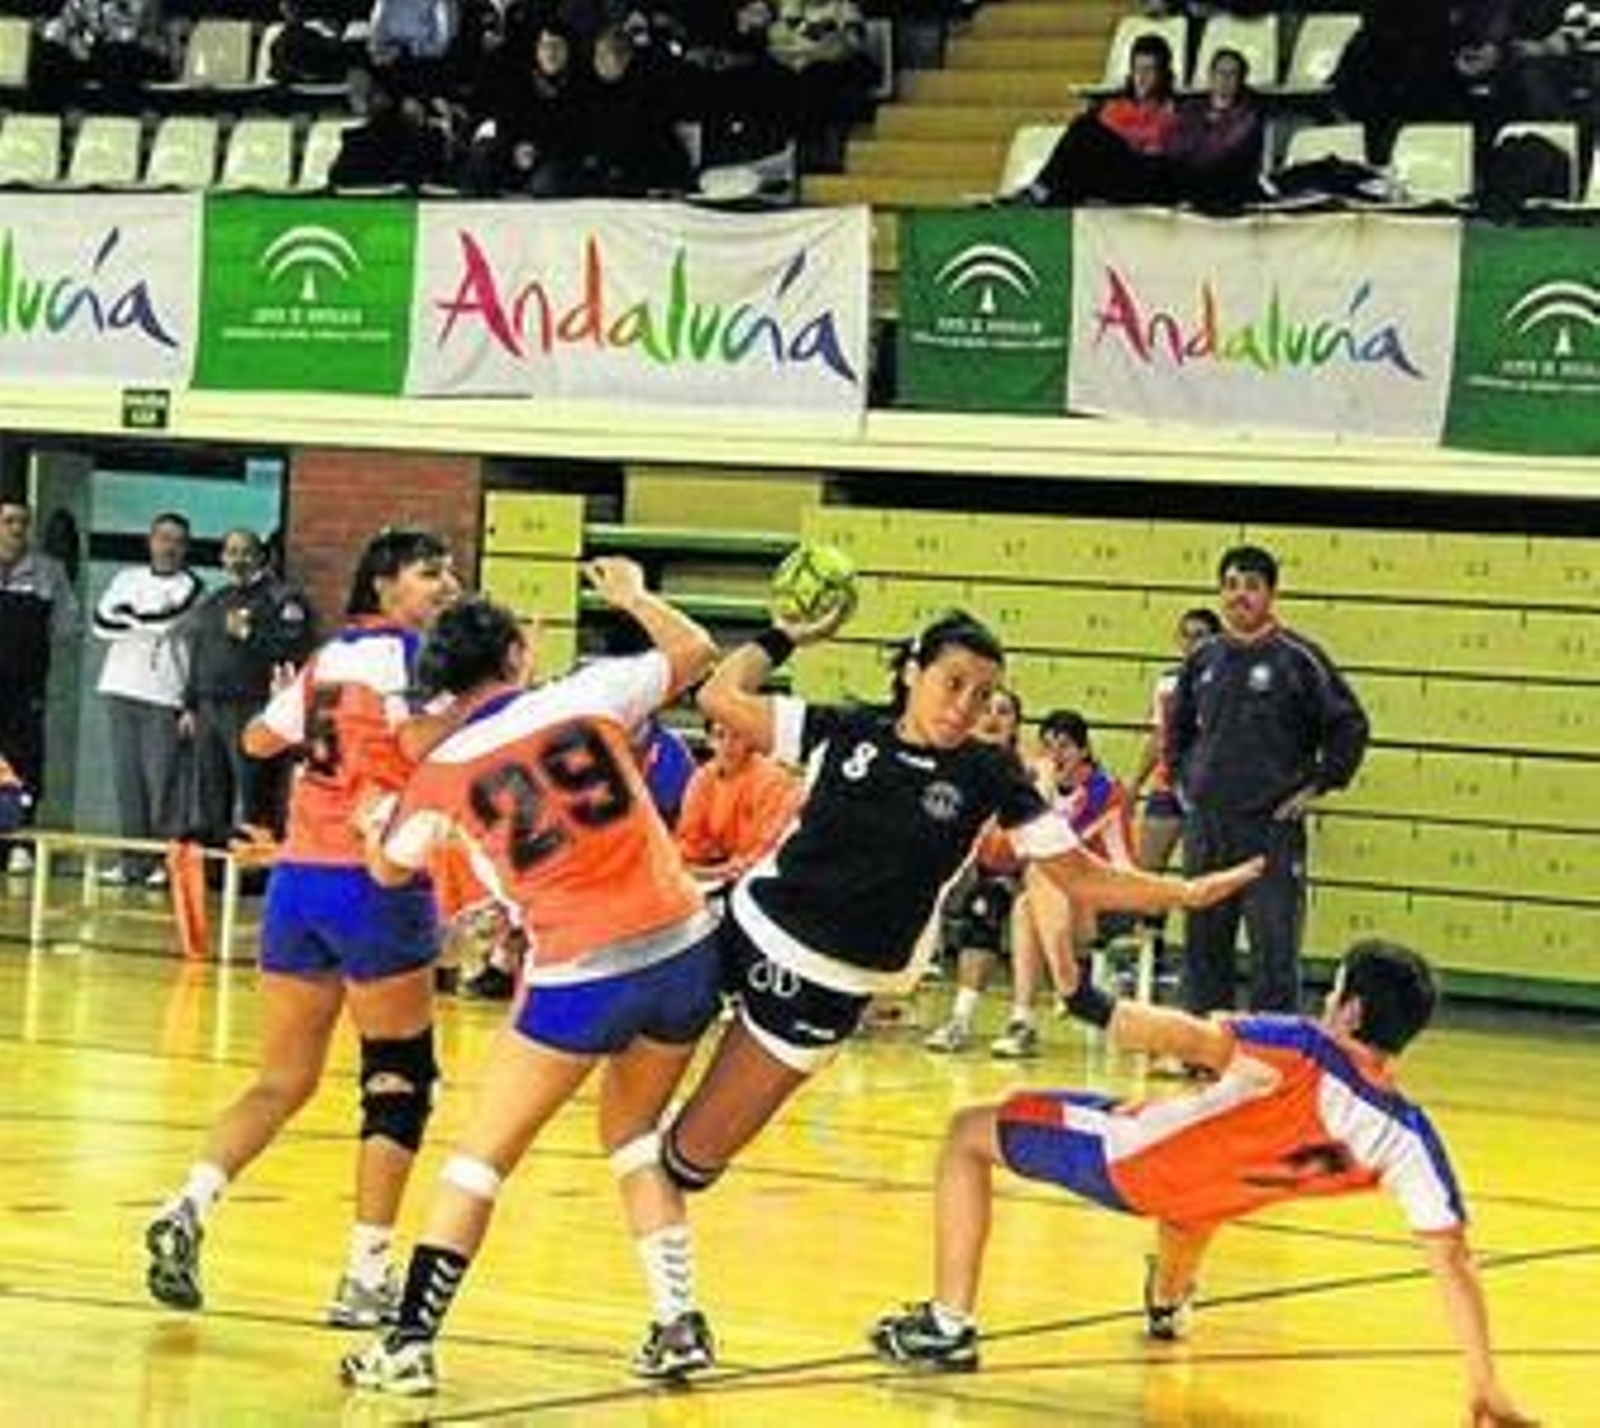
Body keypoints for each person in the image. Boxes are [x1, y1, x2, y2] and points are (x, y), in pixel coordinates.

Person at [651, 608, 1262, 1310]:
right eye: (953, 683)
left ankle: (671, 1292)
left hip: (822, 989)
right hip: (741, 926)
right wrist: (787, 634)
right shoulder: (846, 730)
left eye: (983, 694)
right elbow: (718, 695)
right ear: (913, 674)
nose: (966, 704)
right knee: (608, 1050)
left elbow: (1079, 875)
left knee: (687, 1160)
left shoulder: (990, 776)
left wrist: (1183, 891)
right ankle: (668, 1319)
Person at [870, 939, 1538, 1428]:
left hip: (1132, 1163)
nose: (1326, 1002)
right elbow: (1452, 1258)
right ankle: (1167, 1304)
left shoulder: (1302, 1051)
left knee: (967, 1133)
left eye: (1334, 991)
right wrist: (1484, 1382)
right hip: (1213, 1195)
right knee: (1197, 1204)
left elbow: (1189, 1038)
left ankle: (948, 1324)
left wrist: (1085, 998)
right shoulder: (1405, 1135)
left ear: (1352, 1011)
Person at [340, 568, 725, 1398]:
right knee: (634, 1134)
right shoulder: (587, 694)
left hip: (582, 970)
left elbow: (390, 870)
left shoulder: (440, 771)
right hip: (685, 947)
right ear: (516, 655)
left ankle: (408, 1344)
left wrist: (373, 825)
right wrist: (631, 595)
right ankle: (678, 1321)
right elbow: (696, 650)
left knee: (481, 1160)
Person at [144, 528, 459, 1327]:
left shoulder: (327, 657)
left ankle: (188, 1204)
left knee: (281, 1079)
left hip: (298, 882)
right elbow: (431, 744)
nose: (448, 585)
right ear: (383, 584)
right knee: (398, 1080)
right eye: (431, 572)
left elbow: (258, 739)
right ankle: (365, 1277)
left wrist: (309, 714)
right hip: (374, 878)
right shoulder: (417, 661)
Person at [1169, 545, 1369, 1018]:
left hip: (1270, 830)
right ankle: (1204, 1046)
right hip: (1208, 828)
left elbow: (1349, 726)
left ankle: (1270, 1052)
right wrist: (1184, 781)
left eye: (1251, 586)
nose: (1239, 596)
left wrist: (1317, 785)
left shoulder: (1298, 658)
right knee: (1203, 949)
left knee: (1273, 953)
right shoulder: (1203, 659)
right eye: (1230, 585)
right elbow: (1177, 728)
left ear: (1271, 594)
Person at [991, 709, 1136, 1060]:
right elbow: (1006, 854)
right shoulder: (1037, 788)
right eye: (1047, 746)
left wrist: (1039, 790)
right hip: (1063, 897)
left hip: (1114, 898)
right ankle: (1027, 1016)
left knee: (1043, 888)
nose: (1055, 756)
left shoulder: (1104, 791)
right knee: (1028, 904)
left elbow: (1055, 845)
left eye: (1065, 746)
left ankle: (1064, 987)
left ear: (1084, 750)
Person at [181, 529, 315, 846]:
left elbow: (295, 650)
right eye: (231, 552)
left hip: (253, 705)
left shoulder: (281, 599)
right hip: (210, 707)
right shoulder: (215, 601)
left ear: (261, 556)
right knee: (211, 794)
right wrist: (190, 704)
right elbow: (199, 655)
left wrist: (250, 635)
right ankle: (214, 867)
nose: (237, 559)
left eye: (245, 551)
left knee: (256, 792)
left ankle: (256, 867)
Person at [93, 512, 204, 887]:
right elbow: (101, 623)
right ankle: (131, 861)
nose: (168, 547)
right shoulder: (126, 578)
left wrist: (128, 617)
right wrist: (137, 621)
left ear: (185, 548)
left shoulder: (192, 586)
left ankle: (163, 861)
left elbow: (166, 623)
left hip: (165, 692)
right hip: (120, 687)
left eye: (176, 541)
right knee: (128, 782)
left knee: (164, 782)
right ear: (150, 541)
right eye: (162, 538)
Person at [922, 687, 1027, 1054]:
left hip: (1016, 876)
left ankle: (960, 1020)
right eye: (987, 709)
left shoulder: (1027, 773)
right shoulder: (951, 767)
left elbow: (1034, 841)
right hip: (960, 872)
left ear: (1016, 726)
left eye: (1004, 711)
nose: (993, 718)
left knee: (984, 903)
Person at [0, 500, 79, 874]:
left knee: (24, 762)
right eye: (8, 521)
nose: (16, 528)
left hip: (24, 688)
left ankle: (18, 842)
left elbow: (66, 627)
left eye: (23, 522)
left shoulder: (50, 572)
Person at [1020, 32, 1178, 206]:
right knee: (1081, 137)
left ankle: (1041, 190)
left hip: (1139, 177)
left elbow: (1157, 154)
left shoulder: (1170, 112)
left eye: (1149, 70)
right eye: (1137, 69)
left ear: (1163, 74)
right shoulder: (1116, 107)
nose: (1141, 78)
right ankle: (1048, 195)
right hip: (1108, 175)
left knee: (1083, 126)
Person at [675, 716, 802, 887]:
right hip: (722, 869)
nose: (728, 744)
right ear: (709, 741)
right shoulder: (702, 778)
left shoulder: (774, 781)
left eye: (737, 736)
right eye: (720, 735)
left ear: (750, 740)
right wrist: (689, 867)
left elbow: (765, 854)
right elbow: (688, 841)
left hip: (774, 873)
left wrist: (706, 872)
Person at [1167, 46, 1265, 209]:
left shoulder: (1247, 117)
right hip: (1185, 179)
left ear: (1241, 80)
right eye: (1220, 72)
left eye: (1232, 74)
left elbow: (1219, 152)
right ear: (1211, 76)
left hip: (1223, 188)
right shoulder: (1190, 109)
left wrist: (1196, 143)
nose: (1225, 79)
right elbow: (1174, 147)